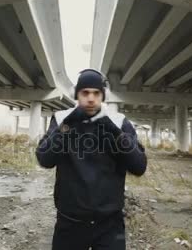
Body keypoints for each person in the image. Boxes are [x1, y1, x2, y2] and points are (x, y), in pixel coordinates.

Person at [36, 69, 147, 250]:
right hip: (70, 223)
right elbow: (45, 159)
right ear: (77, 94)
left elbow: (139, 166)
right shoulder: (62, 119)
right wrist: (68, 125)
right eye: (85, 93)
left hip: (109, 225)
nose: (90, 98)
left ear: (103, 95)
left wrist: (114, 131)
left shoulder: (118, 121)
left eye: (96, 93)